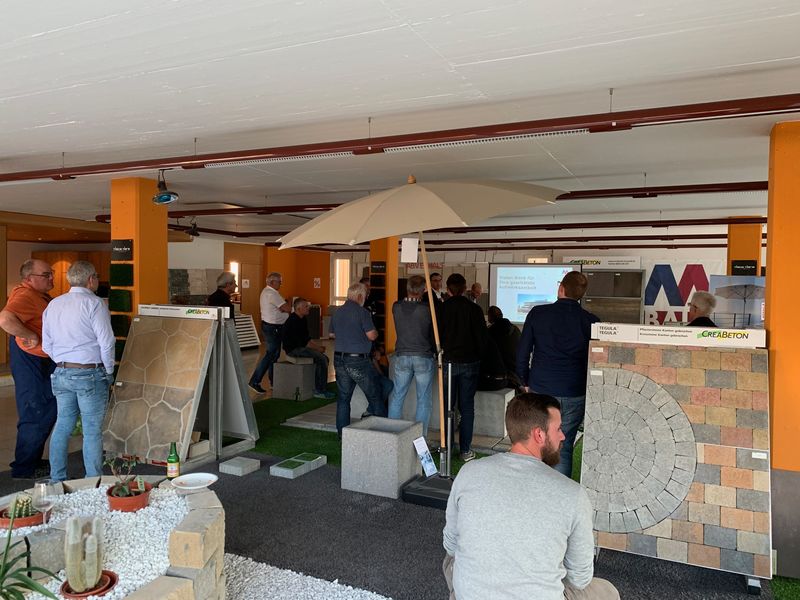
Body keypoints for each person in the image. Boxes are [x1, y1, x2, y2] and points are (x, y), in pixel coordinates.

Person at [442, 393, 620, 600]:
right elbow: (580, 578)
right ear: (539, 435)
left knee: (451, 561)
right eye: (558, 429)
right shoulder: (574, 494)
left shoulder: (468, 472)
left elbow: (450, 544)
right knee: (608, 592)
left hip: (470, 595)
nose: (563, 436)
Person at [515, 271, 599, 477]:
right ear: (581, 294)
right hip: (574, 391)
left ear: (561, 288)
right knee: (564, 445)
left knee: (536, 443)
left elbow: (522, 353)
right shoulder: (591, 321)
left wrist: (524, 381)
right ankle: (559, 493)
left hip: (540, 390)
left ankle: (536, 489)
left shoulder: (538, 313)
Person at [41, 261, 114, 481]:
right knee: (92, 430)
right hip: (90, 374)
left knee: (62, 425)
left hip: (61, 373)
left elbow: (47, 345)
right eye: (97, 276)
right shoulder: (95, 303)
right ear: (91, 279)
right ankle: (93, 481)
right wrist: (108, 370)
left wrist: (64, 362)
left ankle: (57, 478)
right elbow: (107, 342)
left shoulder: (54, 304)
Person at [0, 258, 57, 479]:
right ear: (29, 278)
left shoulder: (38, 295)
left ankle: (31, 460)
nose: (51, 278)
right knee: (35, 411)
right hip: (30, 361)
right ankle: (24, 469)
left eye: (51, 273)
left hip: (39, 360)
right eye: (46, 275)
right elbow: (5, 319)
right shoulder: (24, 295)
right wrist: (29, 335)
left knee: (47, 409)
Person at [437, 273, 488, 461]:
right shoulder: (474, 309)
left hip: (448, 362)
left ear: (448, 289)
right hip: (470, 363)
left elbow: (435, 335)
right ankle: (465, 450)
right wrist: (479, 357)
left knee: (447, 407)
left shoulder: (441, 309)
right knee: (466, 407)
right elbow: (482, 338)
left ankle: (447, 447)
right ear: (465, 288)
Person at [330, 282, 383, 435]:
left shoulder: (337, 312)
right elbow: (371, 336)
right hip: (357, 360)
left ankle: (342, 434)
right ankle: (382, 433)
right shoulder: (362, 312)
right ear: (360, 296)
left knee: (343, 398)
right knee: (375, 396)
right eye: (365, 295)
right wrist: (375, 333)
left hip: (339, 358)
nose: (366, 298)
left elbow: (332, 334)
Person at [388, 275, 436, 435]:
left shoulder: (396, 307)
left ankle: (393, 434)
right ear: (423, 290)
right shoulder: (426, 309)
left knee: (397, 396)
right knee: (423, 399)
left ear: (407, 288)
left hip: (402, 355)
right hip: (423, 356)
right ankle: (420, 438)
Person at [282, 297, 334, 399]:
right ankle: (320, 390)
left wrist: (318, 347)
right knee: (322, 358)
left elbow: (307, 338)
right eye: (306, 306)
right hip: (293, 350)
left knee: (323, 358)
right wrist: (318, 349)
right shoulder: (293, 321)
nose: (308, 308)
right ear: (298, 309)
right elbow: (303, 343)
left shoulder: (303, 319)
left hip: (300, 347)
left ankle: (319, 386)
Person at [249, 272, 291, 394]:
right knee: (271, 354)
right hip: (273, 328)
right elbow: (287, 308)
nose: (281, 284)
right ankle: (255, 381)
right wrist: (287, 306)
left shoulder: (270, 292)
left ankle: (274, 382)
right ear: (272, 282)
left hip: (273, 327)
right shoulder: (271, 293)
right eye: (279, 282)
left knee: (274, 355)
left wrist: (284, 308)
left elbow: (283, 308)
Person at [487, 306, 523, 390]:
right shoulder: (516, 329)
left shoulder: (490, 332)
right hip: (517, 369)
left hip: (501, 373)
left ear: (490, 318)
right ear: (502, 315)